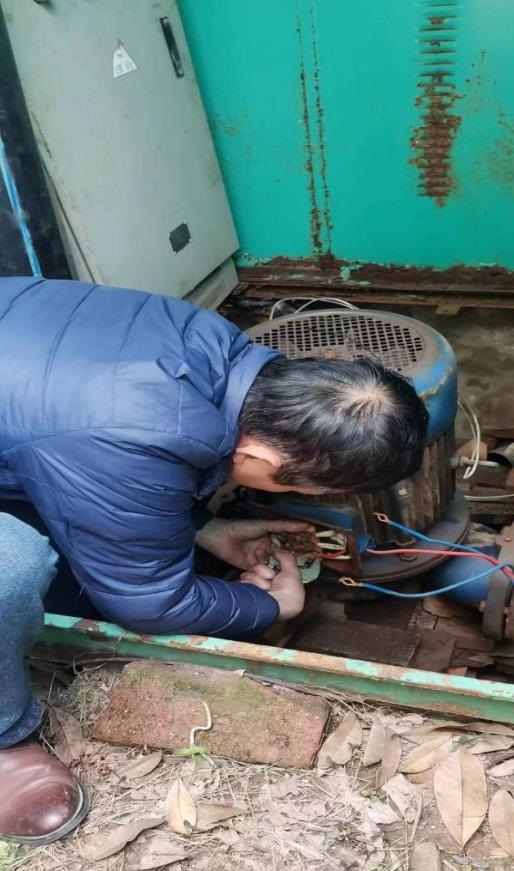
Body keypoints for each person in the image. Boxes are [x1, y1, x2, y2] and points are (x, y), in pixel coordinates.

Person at [0, 276, 429, 845]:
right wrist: (269, 606)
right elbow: (149, 604)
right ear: (259, 458)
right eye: (295, 487)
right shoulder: (124, 434)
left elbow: (86, 449)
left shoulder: (211, 341)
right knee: (16, 568)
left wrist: (205, 527)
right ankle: (6, 738)